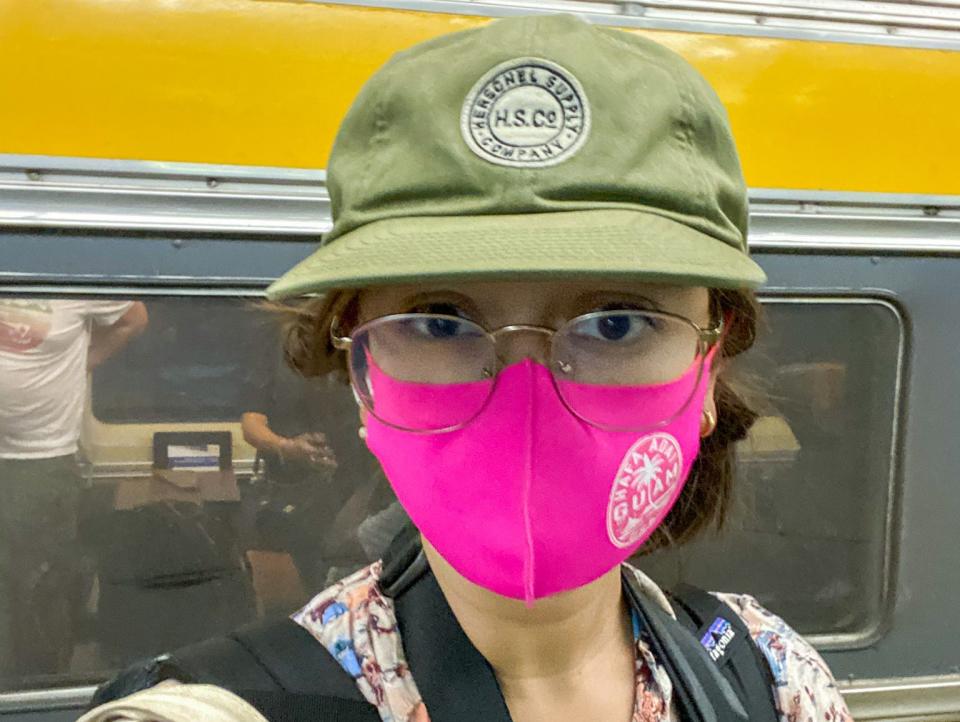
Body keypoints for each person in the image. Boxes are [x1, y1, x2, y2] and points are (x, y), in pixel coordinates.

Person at [82, 14, 853, 722]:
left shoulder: (771, 679)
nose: (528, 407)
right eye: (440, 321)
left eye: (618, 323)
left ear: (707, 369)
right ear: (362, 373)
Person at [0, 298, 147, 684]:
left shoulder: (59, 262)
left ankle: (36, 689)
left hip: (40, 457)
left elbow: (133, 319)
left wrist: (84, 360)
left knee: (36, 589)